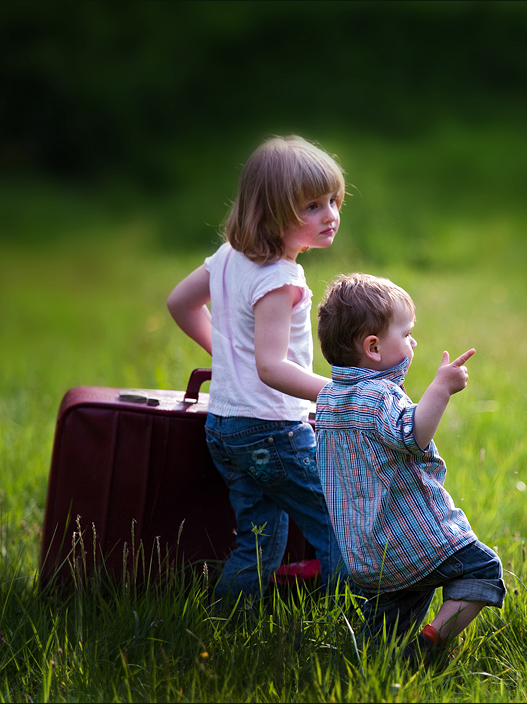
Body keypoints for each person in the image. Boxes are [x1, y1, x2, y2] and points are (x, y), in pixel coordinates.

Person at [167, 135, 348, 604]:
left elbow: (180, 303)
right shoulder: (281, 279)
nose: (330, 214)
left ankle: (222, 622)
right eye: (312, 206)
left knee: (258, 538)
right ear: (271, 213)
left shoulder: (228, 258)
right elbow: (271, 368)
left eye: (333, 200)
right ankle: (356, 625)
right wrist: (340, 392)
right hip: (272, 432)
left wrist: (226, 354)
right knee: (340, 527)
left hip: (225, 426)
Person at [315, 273, 505, 666]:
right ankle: (430, 644)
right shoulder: (378, 396)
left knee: (386, 630)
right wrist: (440, 389)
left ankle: (365, 666)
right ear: (373, 347)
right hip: (412, 541)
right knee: (484, 570)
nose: (413, 341)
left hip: (368, 554)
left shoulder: (329, 399)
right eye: (405, 333)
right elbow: (413, 434)